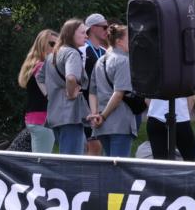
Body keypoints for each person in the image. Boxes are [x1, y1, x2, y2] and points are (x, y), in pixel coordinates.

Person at [42, 18, 89, 155]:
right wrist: (70, 93)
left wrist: (50, 94)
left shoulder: (52, 55)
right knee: (72, 161)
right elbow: (71, 77)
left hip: (55, 114)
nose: (86, 36)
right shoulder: (72, 53)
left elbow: (39, 77)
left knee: (66, 157)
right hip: (70, 115)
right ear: (71, 33)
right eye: (83, 32)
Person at [88, 23, 136, 157]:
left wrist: (95, 115)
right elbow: (118, 93)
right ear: (119, 42)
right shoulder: (123, 61)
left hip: (102, 127)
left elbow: (92, 92)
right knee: (119, 169)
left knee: (110, 166)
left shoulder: (100, 61)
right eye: (130, 38)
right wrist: (102, 116)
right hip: (119, 123)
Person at [20, 28, 58, 153]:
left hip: (35, 119)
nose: (56, 47)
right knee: (41, 163)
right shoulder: (42, 66)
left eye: (58, 44)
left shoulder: (35, 65)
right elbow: (51, 94)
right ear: (42, 45)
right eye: (52, 44)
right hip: (42, 120)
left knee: (39, 161)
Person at [81, 13, 109, 155]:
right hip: (86, 107)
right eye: (104, 27)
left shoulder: (105, 52)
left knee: (98, 147)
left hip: (103, 106)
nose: (107, 30)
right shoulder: (83, 51)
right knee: (93, 146)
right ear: (92, 28)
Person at [145, 96, 195, 162]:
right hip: (181, 117)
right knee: (193, 161)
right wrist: (185, 114)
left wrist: (156, 111)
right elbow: (192, 98)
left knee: (161, 162)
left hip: (155, 117)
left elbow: (147, 99)